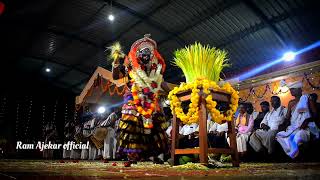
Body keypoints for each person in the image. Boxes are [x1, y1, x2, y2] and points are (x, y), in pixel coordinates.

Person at [111, 35, 169, 164]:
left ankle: (155, 155)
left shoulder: (154, 67)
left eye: (149, 52)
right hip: (132, 96)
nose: (146, 55)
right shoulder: (129, 64)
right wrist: (115, 63)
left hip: (151, 97)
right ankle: (132, 155)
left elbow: (162, 82)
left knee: (156, 124)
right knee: (132, 123)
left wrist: (172, 93)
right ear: (138, 53)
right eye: (144, 52)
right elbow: (115, 77)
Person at [276, 81, 318, 158]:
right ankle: (293, 154)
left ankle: (294, 155)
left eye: (293, 89)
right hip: (293, 127)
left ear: (299, 90)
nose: (291, 91)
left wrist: (307, 120)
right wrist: (283, 124)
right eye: (290, 89)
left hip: (306, 127)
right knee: (280, 135)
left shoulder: (307, 99)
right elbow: (287, 118)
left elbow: (315, 114)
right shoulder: (291, 103)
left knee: (298, 135)